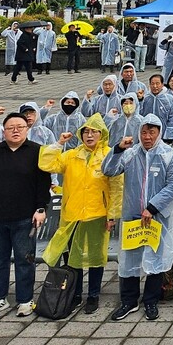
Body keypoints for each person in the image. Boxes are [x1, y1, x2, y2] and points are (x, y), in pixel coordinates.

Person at [38, 114, 123, 315]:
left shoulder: (109, 156)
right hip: (72, 215)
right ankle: (75, 294)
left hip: (97, 215)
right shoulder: (72, 155)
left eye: (94, 131)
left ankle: (93, 295)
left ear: (102, 134)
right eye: (85, 131)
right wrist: (59, 143)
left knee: (95, 257)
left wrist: (112, 216)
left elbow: (117, 188)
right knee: (73, 258)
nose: (89, 135)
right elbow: (46, 164)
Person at [102, 114, 173, 321]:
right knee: (129, 259)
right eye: (144, 132)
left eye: (152, 132)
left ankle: (151, 300)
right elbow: (108, 170)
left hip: (156, 217)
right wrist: (118, 149)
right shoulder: (130, 154)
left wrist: (152, 208)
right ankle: (129, 301)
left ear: (159, 133)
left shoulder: (168, 155)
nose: (147, 137)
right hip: (132, 216)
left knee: (155, 258)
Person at [0, 113, 52, 317]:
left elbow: (43, 184)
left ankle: (25, 299)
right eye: (11, 127)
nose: (15, 130)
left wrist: (41, 208)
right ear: (4, 130)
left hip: (25, 218)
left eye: (20, 126)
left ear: (27, 129)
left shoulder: (37, 151)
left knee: (24, 260)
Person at [139, 74, 173, 145]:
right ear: (149, 85)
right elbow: (139, 114)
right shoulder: (145, 98)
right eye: (152, 84)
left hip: (163, 136)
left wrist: (169, 136)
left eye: (157, 83)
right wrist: (140, 100)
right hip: (147, 136)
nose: (155, 86)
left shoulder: (169, 99)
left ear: (162, 85)